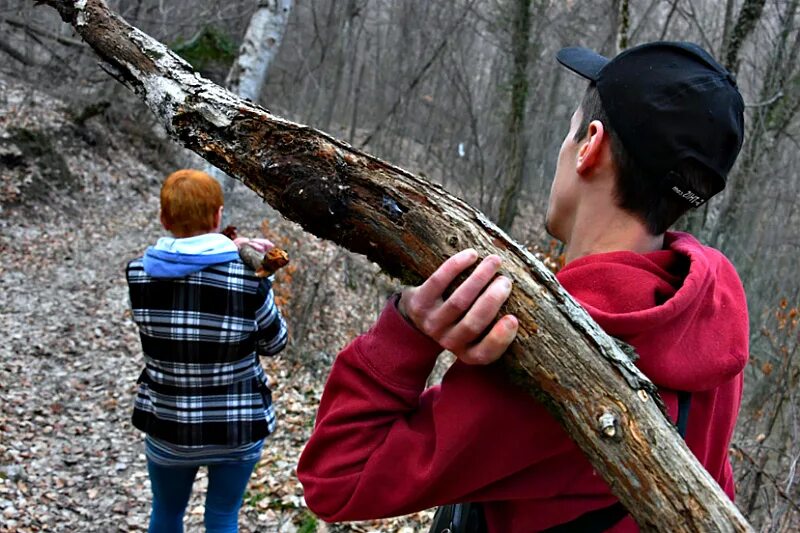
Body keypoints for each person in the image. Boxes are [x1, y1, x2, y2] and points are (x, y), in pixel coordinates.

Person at [296, 42, 749, 532]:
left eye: (570, 129)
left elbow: (338, 477)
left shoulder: (555, 355)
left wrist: (407, 329)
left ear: (589, 146)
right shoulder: (710, 317)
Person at [126, 169, 288, 533]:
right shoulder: (247, 280)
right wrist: (263, 281)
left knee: (166, 515)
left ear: (164, 218)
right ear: (218, 216)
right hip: (237, 427)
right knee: (222, 518)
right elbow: (275, 343)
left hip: (169, 425)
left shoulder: (137, 275)